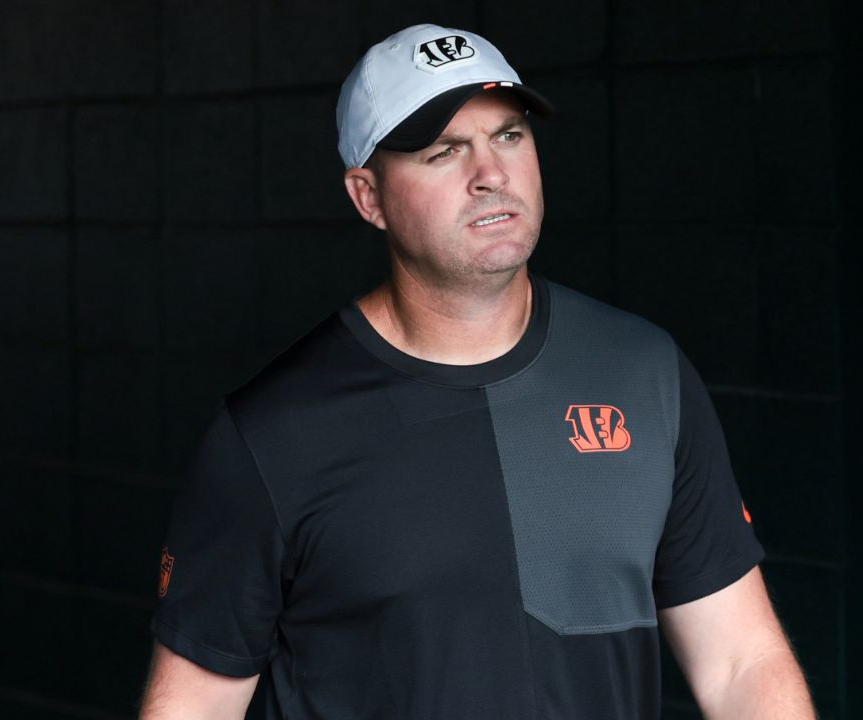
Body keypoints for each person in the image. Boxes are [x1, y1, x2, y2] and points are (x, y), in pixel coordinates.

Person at [140, 23, 815, 720]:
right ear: (368, 197)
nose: (491, 173)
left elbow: (741, 664)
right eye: (444, 151)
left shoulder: (645, 375)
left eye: (509, 135)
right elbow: (191, 708)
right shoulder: (271, 436)